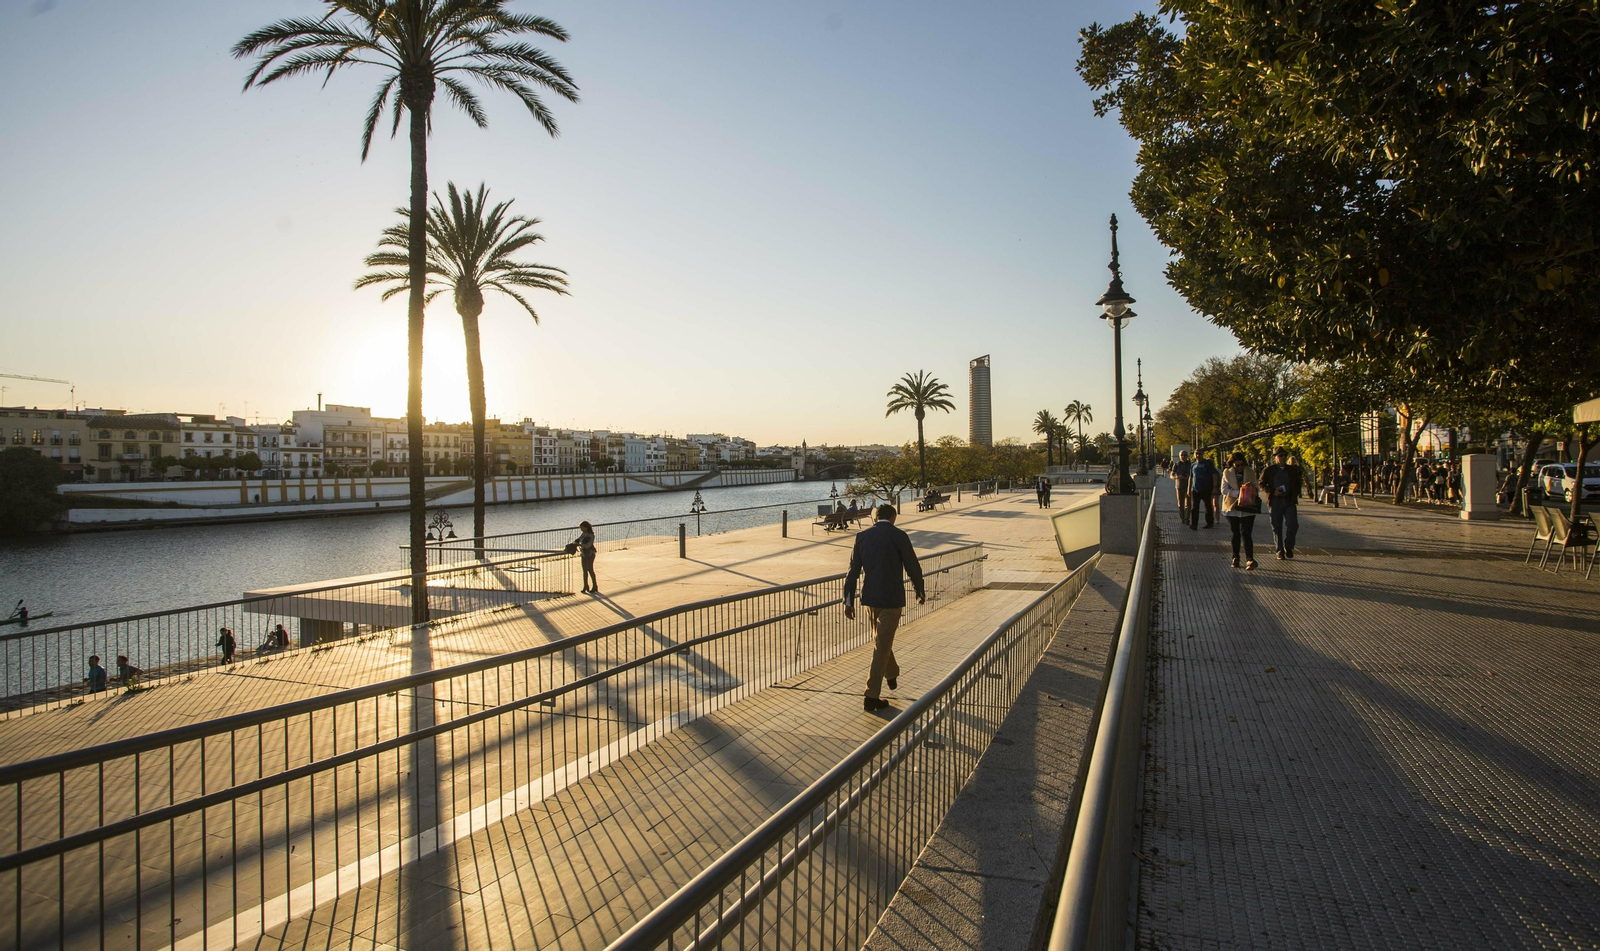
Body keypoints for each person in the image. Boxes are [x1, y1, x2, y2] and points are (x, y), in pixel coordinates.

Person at [843, 504, 926, 712]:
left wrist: (848, 601)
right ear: (893, 517)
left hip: (869, 599)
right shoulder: (899, 536)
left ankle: (891, 672)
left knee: (881, 641)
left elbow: (852, 572)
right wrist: (919, 589)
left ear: (875, 517)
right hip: (891, 599)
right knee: (882, 644)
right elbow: (912, 565)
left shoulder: (862, 537)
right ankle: (871, 696)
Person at [1220, 451, 1261, 569]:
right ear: (1232, 464)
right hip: (1232, 506)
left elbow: (1255, 487)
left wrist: (1249, 492)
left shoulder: (1250, 472)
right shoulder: (1227, 473)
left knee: (1246, 533)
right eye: (1236, 465)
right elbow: (1224, 490)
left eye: (1241, 465)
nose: (1239, 468)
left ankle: (1250, 559)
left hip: (1248, 506)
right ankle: (1235, 557)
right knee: (1235, 533)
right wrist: (1239, 493)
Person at [1261, 447, 1302, 559]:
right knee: (1276, 526)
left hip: (1289, 500)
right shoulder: (1269, 470)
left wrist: (1295, 493)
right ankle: (1279, 550)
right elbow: (1262, 483)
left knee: (1293, 524)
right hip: (1275, 501)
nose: (1283, 457)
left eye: (1284, 455)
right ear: (1275, 458)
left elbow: (1298, 482)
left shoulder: (1292, 470)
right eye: (1280, 455)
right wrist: (1272, 491)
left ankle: (1288, 545)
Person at [1188, 454, 1219, 529]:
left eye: (1200, 453)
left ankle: (1209, 523)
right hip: (1195, 489)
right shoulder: (1193, 465)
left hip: (1206, 488)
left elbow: (1214, 475)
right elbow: (1191, 477)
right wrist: (1188, 489)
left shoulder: (1208, 464)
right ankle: (1194, 524)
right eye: (1196, 454)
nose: (1198, 455)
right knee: (1195, 507)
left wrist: (1215, 487)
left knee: (1208, 506)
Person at [574, 520, 599, 594]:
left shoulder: (590, 535)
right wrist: (575, 543)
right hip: (583, 554)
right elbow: (578, 540)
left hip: (590, 554)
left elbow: (588, 545)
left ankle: (594, 586)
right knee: (584, 570)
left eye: (582, 528)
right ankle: (585, 586)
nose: (581, 529)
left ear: (586, 527)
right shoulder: (583, 534)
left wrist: (580, 545)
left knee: (590, 570)